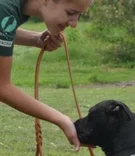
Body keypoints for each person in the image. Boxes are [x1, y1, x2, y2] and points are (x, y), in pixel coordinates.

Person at [0, 0, 93, 152]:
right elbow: (2, 87)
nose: (74, 23)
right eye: (70, 13)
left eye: (79, 15)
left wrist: (35, 39)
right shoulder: (4, 8)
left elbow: (4, 28)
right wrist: (61, 119)